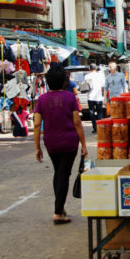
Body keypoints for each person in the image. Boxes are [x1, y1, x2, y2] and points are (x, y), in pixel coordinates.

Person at [34, 65, 88, 225]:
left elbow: (37, 125)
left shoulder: (41, 99)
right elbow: (77, 122)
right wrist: (84, 145)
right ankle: (58, 212)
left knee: (59, 172)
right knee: (63, 174)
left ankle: (60, 207)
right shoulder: (70, 98)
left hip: (51, 142)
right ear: (64, 80)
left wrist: (37, 147)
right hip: (69, 142)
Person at [84, 63, 105, 133]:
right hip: (99, 97)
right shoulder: (100, 75)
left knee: (91, 113)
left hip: (90, 97)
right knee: (100, 113)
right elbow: (103, 86)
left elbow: (85, 86)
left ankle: (95, 128)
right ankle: (101, 128)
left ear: (89, 69)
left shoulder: (87, 76)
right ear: (96, 68)